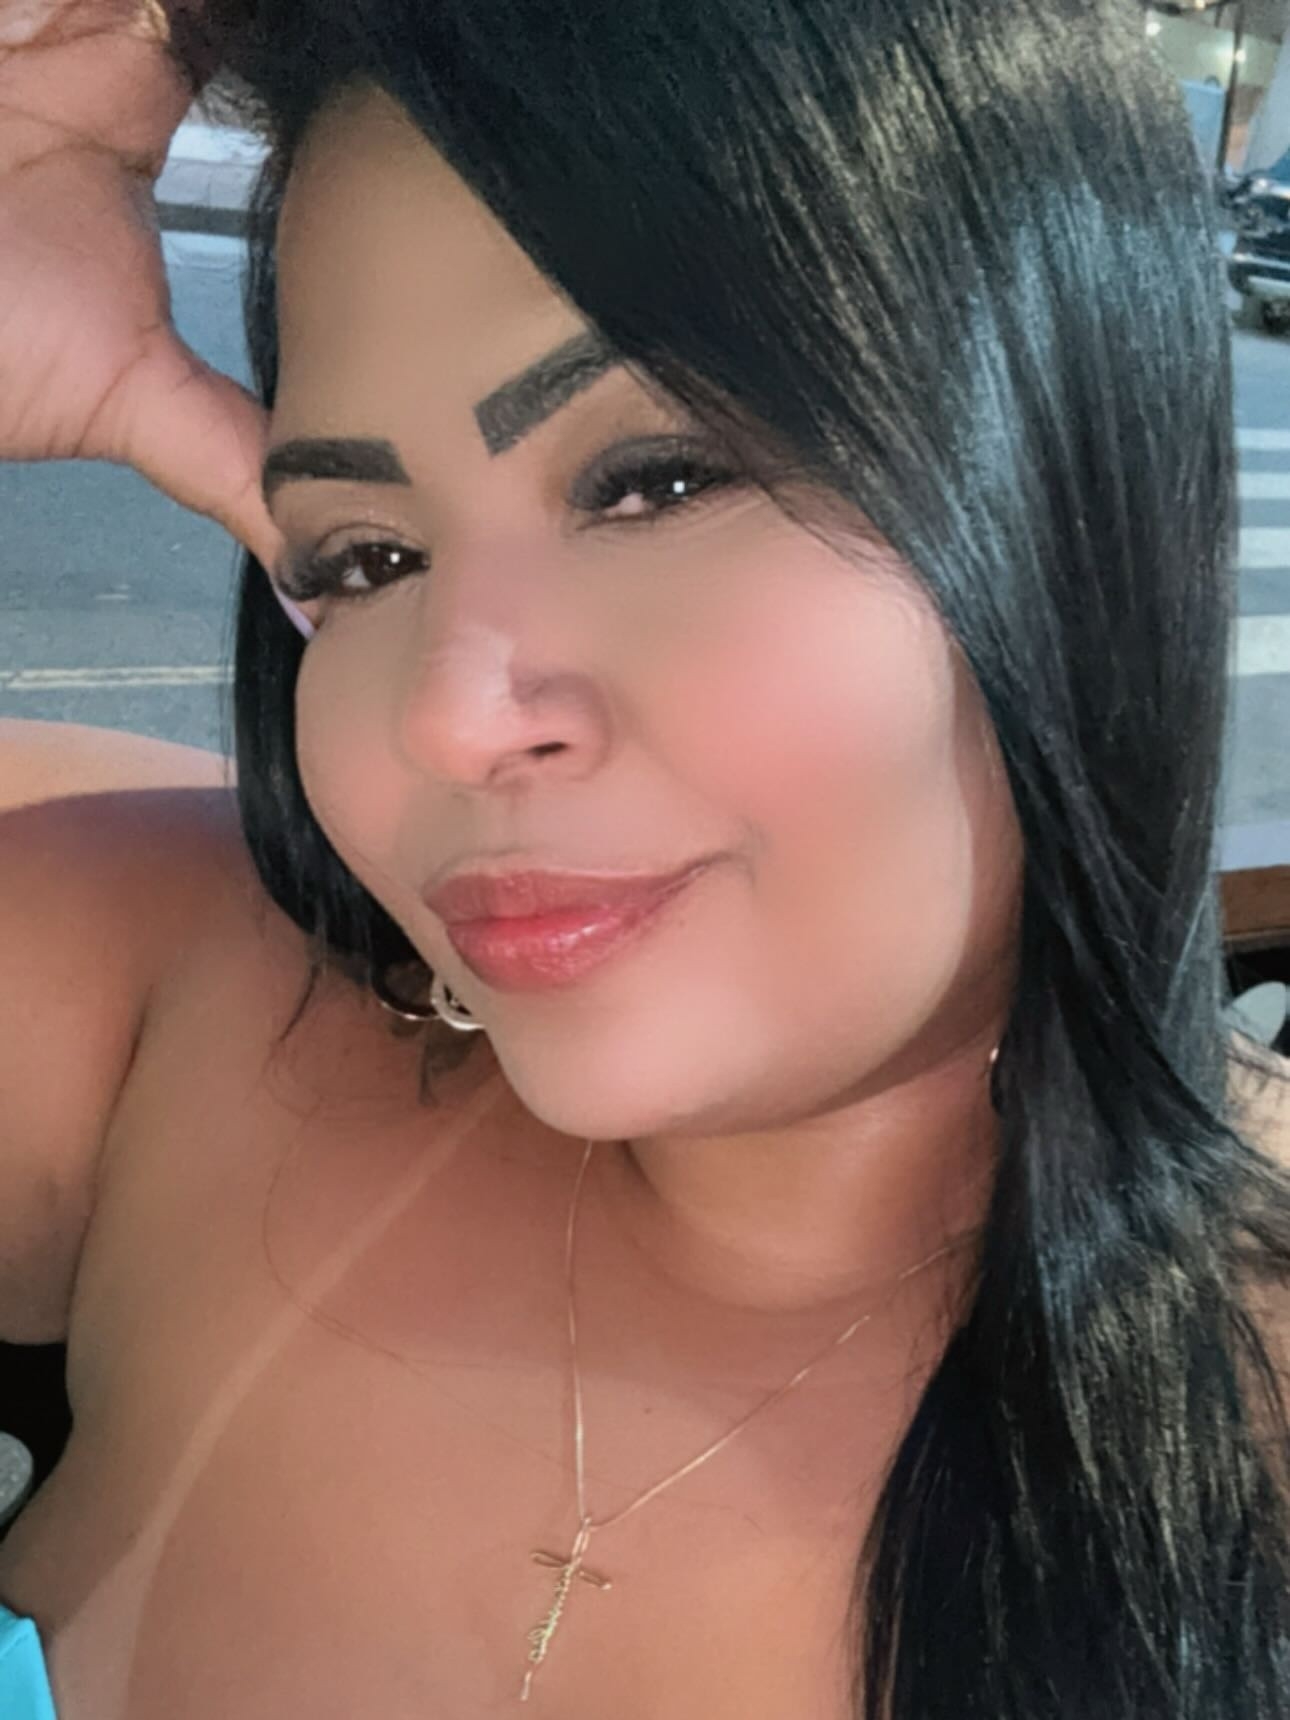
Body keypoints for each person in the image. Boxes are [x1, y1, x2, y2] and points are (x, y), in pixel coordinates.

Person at [1, 1, 1289, 1717]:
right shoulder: (159, 998)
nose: (448, 717)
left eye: (655, 481)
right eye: (367, 558)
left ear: (1076, 495)